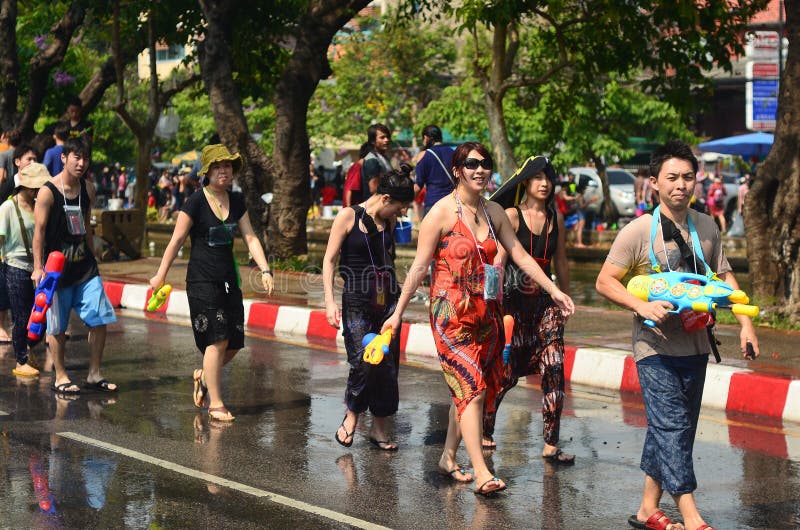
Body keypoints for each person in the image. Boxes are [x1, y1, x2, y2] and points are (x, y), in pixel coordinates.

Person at [381, 142, 574, 495]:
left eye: (485, 164)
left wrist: (555, 290)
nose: (480, 170)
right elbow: (419, 268)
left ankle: (448, 457)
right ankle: (482, 472)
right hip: (449, 313)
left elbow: (521, 256)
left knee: (476, 389)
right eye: (471, 164)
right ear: (458, 170)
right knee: (471, 386)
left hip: (486, 312)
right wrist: (396, 315)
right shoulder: (439, 213)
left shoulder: (495, 212)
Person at [595, 140, 759, 530]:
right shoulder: (637, 231)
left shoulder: (707, 226)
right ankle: (690, 513)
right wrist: (641, 306)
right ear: (654, 182)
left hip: (697, 344)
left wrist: (746, 323)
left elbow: (723, 277)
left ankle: (647, 509)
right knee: (671, 425)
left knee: (675, 426)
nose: (680, 185)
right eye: (672, 178)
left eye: (688, 177)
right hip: (654, 346)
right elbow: (605, 281)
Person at [149, 144, 274, 422]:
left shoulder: (237, 201)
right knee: (216, 340)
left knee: (232, 343)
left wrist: (265, 269)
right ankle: (216, 404)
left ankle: (204, 377)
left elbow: (251, 237)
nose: (224, 171)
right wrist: (160, 274)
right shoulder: (195, 201)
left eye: (227, 166)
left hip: (229, 280)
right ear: (207, 172)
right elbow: (177, 240)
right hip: (202, 281)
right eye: (218, 166)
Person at [483, 156, 573, 463]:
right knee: (506, 374)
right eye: (538, 178)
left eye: (548, 178)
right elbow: (499, 260)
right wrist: (492, 303)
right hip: (513, 304)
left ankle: (551, 442)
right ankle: (484, 429)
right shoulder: (512, 214)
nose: (544, 184)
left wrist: (566, 297)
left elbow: (560, 260)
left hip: (545, 304)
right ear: (525, 182)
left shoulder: (554, 218)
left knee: (555, 365)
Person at [323, 165, 415, 451]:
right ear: (386, 199)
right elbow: (328, 261)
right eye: (400, 208)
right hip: (356, 301)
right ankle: (352, 414)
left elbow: (386, 261)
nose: (402, 215)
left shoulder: (387, 224)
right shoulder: (348, 216)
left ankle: (379, 428)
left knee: (386, 366)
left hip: (386, 301)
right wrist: (328, 301)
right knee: (364, 360)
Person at [32, 138, 118, 395]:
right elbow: (39, 232)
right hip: (56, 271)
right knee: (57, 326)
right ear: (64, 158)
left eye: (85, 159)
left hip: (85, 268)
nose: (81, 163)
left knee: (100, 318)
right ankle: (60, 376)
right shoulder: (47, 192)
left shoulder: (88, 189)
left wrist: (94, 249)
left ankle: (94, 374)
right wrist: (38, 268)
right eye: (76, 157)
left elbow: (87, 224)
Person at [0, 162, 50, 376]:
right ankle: (21, 360)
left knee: (40, 318)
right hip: (15, 267)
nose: (39, 191)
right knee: (21, 316)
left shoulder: (40, 205)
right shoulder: (8, 208)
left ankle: (27, 349)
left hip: (38, 267)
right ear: (27, 187)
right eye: (36, 188)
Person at [413, 125, 455, 217]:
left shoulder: (425, 155)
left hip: (433, 204)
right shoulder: (453, 153)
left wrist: (404, 201)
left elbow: (417, 186)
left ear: (425, 138)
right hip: (453, 204)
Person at [360, 124, 393, 198]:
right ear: (372, 141)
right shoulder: (372, 160)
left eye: (387, 137)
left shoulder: (383, 157)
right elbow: (373, 188)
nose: (386, 140)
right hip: (376, 205)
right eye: (382, 137)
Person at [558, 172, 586, 247]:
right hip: (562, 212)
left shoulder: (573, 185)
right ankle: (567, 243)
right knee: (563, 228)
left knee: (574, 226)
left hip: (565, 211)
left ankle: (573, 242)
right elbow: (566, 197)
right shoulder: (562, 192)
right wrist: (574, 198)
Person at [343, 143, 370, 207]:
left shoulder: (359, 167)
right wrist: (348, 208)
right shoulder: (357, 167)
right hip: (354, 209)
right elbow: (350, 189)